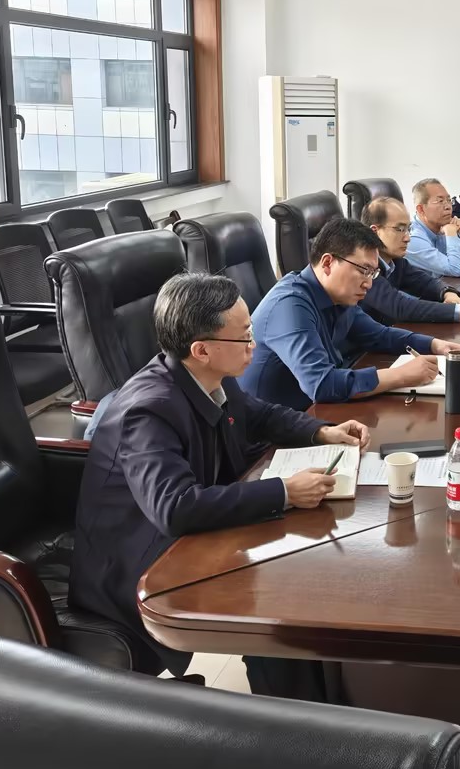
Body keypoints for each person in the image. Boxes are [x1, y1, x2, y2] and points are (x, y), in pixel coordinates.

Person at [69, 272, 371, 698]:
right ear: (202, 349)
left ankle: (332, 698)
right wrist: (284, 492)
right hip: (141, 564)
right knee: (274, 606)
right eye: (244, 336)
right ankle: (294, 722)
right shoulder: (148, 411)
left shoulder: (207, 373)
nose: (253, 345)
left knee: (304, 574)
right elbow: (175, 508)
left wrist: (321, 431)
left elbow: (259, 413)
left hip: (191, 536)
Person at [242, 217, 460, 407]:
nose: (369, 283)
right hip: (271, 436)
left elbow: (379, 335)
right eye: (363, 270)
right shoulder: (290, 305)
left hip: (313, 415)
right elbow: (321, 385)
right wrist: (401, 375)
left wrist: (436, 345)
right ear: (327, 263)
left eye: (373, 273)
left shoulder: (338, 296)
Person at [361, 196, 460, 326]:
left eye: (408, 229)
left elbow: (425, 282)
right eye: (399, 229)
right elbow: (400, 307)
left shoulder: (395, 262)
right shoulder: (364, 269)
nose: (407, 238)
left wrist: (447, 293)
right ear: (375, 231)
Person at [407, 178, 460, 277]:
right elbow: (456, 270)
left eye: (449, 200)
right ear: (421, 209)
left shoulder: (441, 228)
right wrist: (451, 235)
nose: (448, 206)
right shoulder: (413, 239)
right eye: (440, 201)